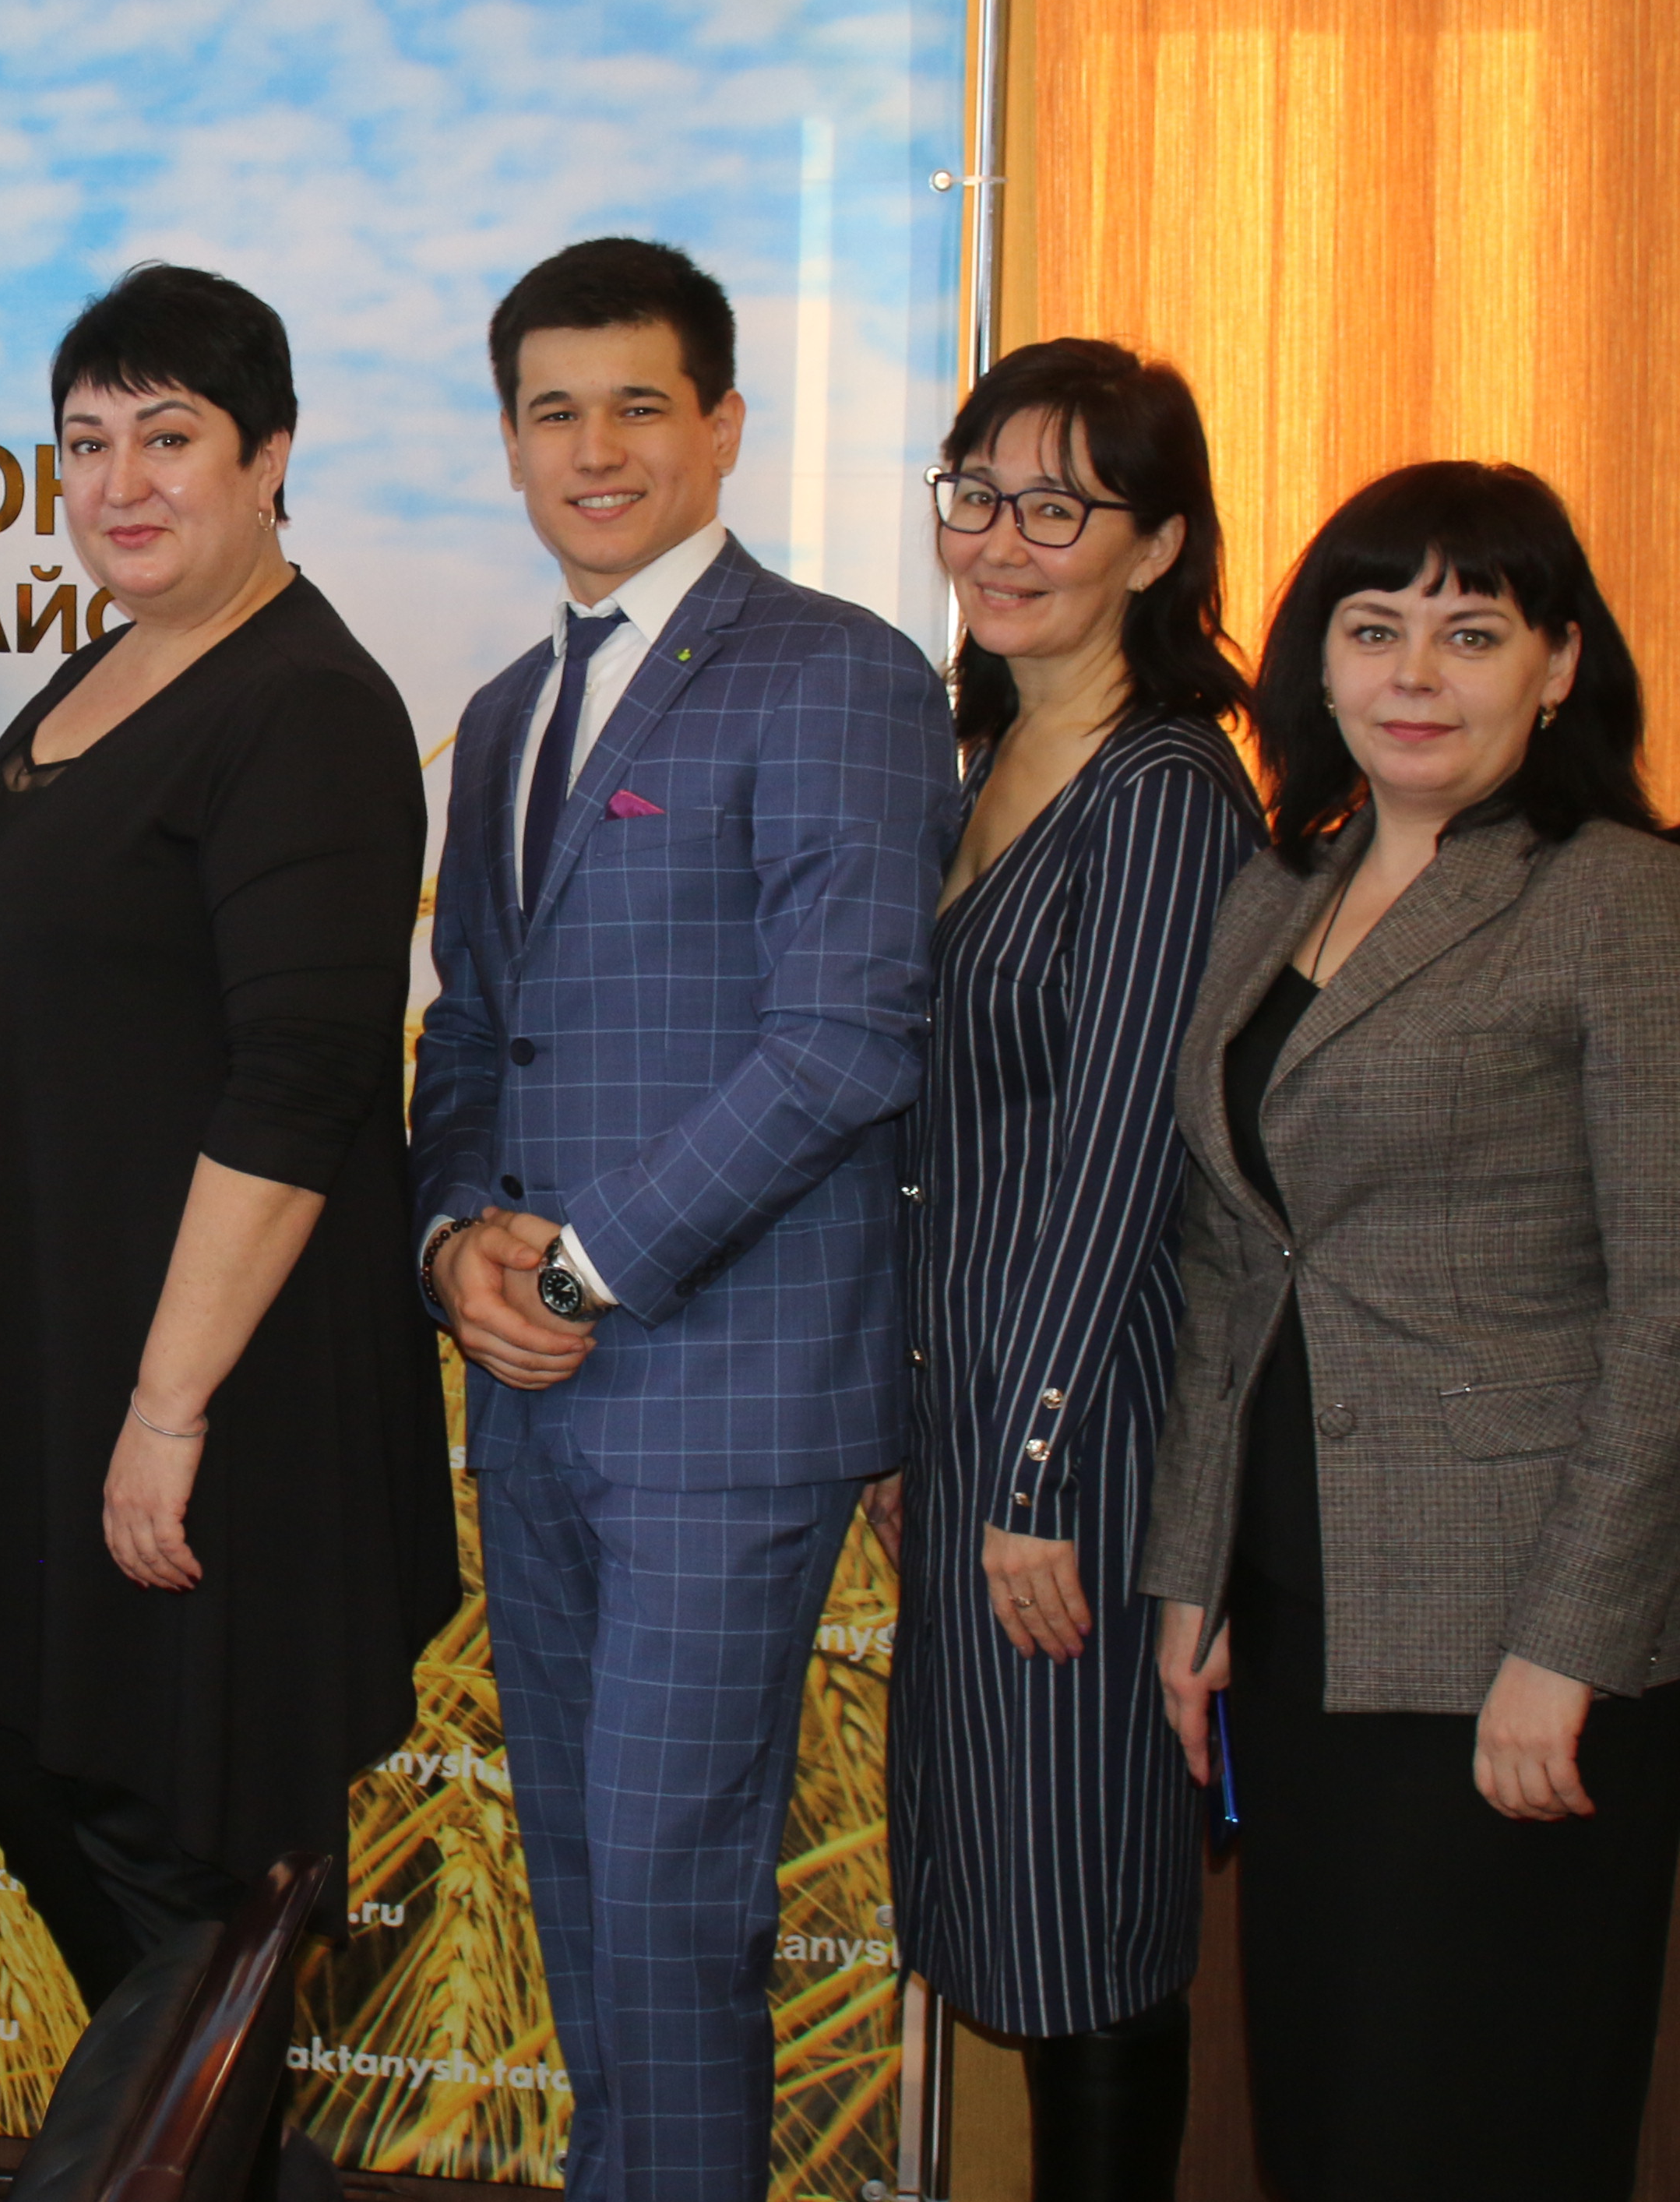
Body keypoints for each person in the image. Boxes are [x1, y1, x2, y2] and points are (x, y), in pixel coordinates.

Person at [1144, 463, 1680, 2202]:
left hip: (1521, 1635)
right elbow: (1230, 1265)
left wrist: (1566, 1652)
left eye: (1471, 634)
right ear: (1320, 666)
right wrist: (1193, 1579)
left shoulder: (1627, 905)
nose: (1415, 674)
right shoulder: (1283, 889)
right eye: (1374, 629)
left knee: (1471, 2123)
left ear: (1557, 666)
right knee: (1332, 2108)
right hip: (1306, 1620)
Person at [410, 236, 954, 2202]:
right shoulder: (504, 711)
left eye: (639, 404)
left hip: (725, 1404)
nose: (595, 448)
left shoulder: (837, 674)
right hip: (535, 1402)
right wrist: (452, 1241)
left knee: (667, 1900)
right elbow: (473, 1029)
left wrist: (580, 1264)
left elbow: (847, 1042)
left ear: (723, 425)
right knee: (583, 1890)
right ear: (509, 442)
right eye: (553, 411)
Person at [0, 264, 458, 2019]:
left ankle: (206, 2141)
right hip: (56, 1363)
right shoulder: (112, 665)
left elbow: (302, 1083)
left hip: (207, 1401)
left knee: (175, 1849)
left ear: (270, 457)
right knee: (44, 1778)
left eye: (169, 438)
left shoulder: (306, 705)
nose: (119, 482)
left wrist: (168, 1407)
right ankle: (186, 2136)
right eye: (85, 442)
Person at [884, 340, 1259, 2200]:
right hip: (968, 1430)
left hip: (1084, 1446)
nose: (1002, 541)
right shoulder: (978, 757)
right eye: (978, 495)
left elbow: (1119, 1165)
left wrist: (1029, 1475)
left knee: (1089, 1925)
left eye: (1060, 507)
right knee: (1001, 1895)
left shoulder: (1166, 792)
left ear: (1157, 545)